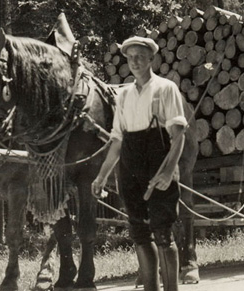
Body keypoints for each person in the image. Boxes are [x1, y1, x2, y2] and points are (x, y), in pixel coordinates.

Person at [92, 36, 187, 291]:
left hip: (159, 166)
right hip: (130, 171)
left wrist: (168, 173)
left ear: (151, 59)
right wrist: (101, 177)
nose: (134, 61)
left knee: (163, 235)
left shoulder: (166, 88)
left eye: (140, 56)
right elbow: (117, 141)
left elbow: (178, 136)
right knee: (140, 234)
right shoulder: (122, 96)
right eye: (130, 57)